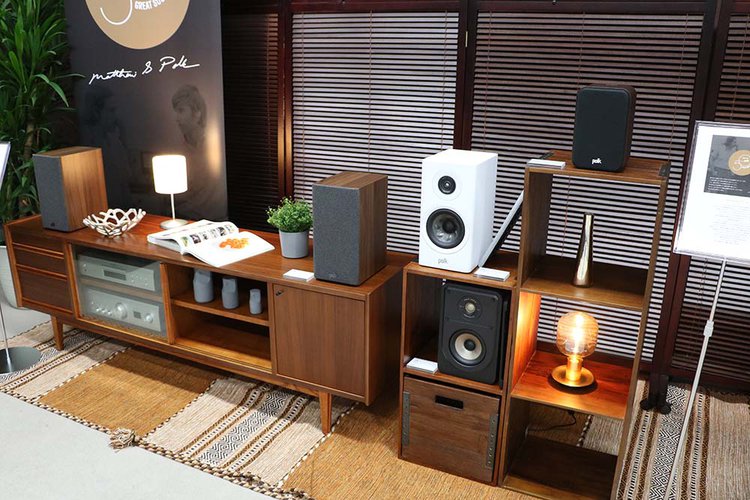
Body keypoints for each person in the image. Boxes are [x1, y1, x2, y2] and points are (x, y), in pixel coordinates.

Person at [171, 84, 227, 220]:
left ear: (197, 113)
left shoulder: (216, 146)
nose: (176, 118)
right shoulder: (179, 149)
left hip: (215, 220)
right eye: (176, 111)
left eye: (181, 111)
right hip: (187, 218)